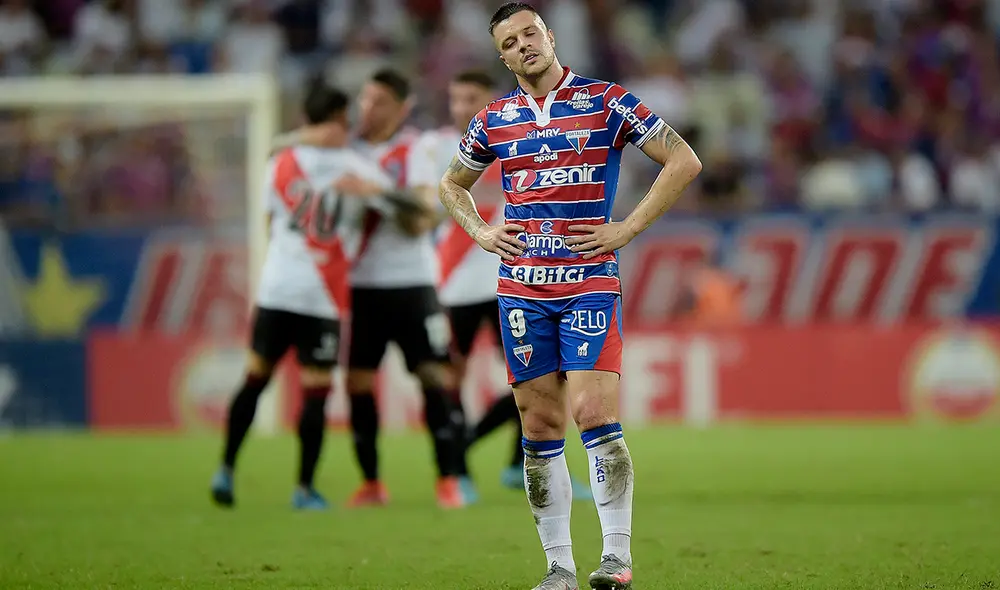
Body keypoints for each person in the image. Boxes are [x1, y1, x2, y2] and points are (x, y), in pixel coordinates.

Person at [438, 4, 702, 590]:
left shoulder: (608, 100)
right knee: (538, 422)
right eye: (510, 41)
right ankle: (558, 566)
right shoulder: (492, 120)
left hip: (587, 281)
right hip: (521, 290)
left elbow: (683, 159)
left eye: (531, 32)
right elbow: (451, 184)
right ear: (502, 57)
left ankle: (615, 556)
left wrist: (626, 228)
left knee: (594, 413)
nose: (524, 44)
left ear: (550, 36)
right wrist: (481, 231)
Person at [210, 81, 396, 510]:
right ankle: (303, 489)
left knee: (255, 378)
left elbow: (269, 222)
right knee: (314, 392)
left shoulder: (281, 161)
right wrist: (379, 196)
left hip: (277, 288)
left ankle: (225, 468)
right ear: (337, 119)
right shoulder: (357, 168)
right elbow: (402, 207)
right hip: (323, 297)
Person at [408, 69, 591, 501]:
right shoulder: (432, 148)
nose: (460, 107)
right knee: (448, 380)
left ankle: (513, 463)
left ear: (491, 99)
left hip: (512, 279)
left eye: (470, 97)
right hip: (450, 286)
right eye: (454, 98)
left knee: (544, 375)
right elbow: (423, 202)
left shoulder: (519, 137)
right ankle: (457, 472)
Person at [344, 69, 466, 509]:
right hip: (362, 285)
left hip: (412, 283)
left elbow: (420, 217)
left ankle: (448, 480)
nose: (367, 109)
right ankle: (372, 483)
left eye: (377, 101)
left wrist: (375, 192)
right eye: (363, 99)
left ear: (401, 107)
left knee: (433, 377)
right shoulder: (347, 150)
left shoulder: (415, 148)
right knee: (357, 382)